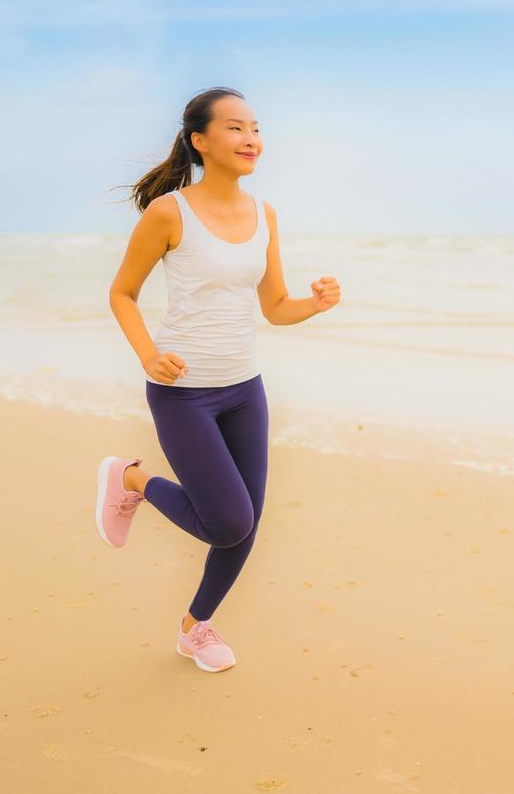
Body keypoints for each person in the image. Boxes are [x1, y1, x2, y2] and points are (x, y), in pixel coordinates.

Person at [99, 87, 341, 673]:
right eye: (235, 128)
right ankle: (129, 477)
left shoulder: (266, 215)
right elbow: (122, 293)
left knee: (244, 526)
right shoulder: (169, 213)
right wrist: (148, 355)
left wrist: (313, 303)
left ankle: (195, 629)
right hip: (183, 393)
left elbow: (275, 306)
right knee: (229, 521)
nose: (251, 137)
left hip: (244, 389)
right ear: (200, 141)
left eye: (255, 127)